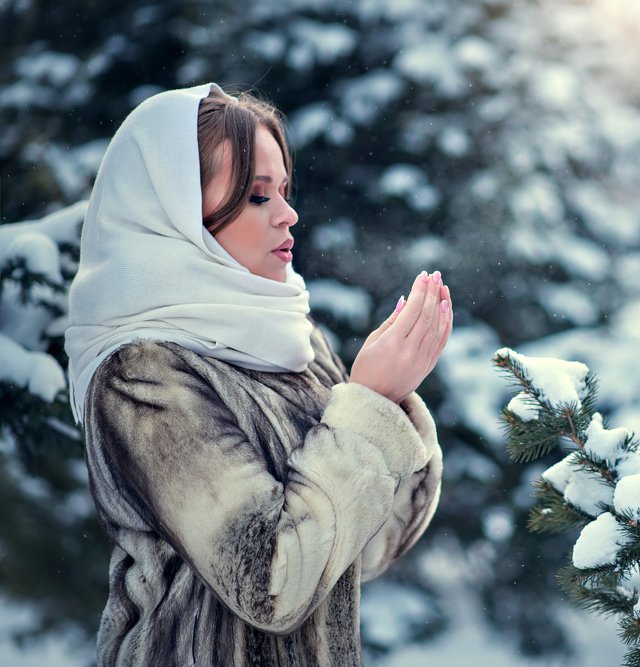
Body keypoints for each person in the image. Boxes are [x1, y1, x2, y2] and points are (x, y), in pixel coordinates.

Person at [64, 83, 449, 666]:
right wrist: (369, 402)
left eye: (285, 192)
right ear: (174, 214)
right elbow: (271, 583)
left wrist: (390, 405)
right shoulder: (142, 374)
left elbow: (359, 554)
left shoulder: (296, 342)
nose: (289, 214)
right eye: (256, 196)